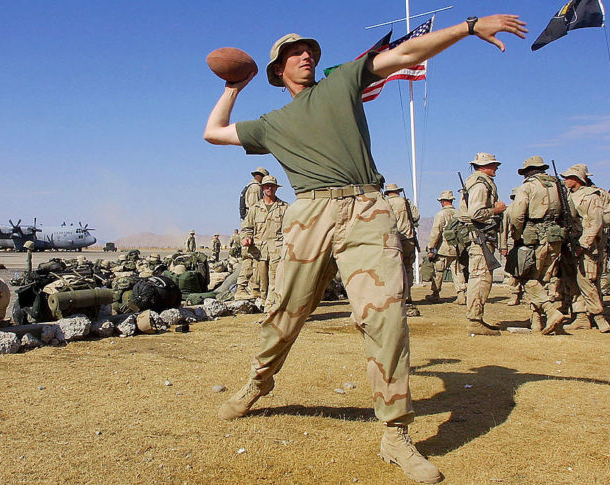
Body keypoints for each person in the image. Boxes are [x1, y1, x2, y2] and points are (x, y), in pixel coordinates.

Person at [203, 15, 526, 484]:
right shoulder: (271, 124)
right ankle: (257, 383)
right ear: (276, 71)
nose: (306, 55)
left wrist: (468, 27)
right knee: (283, 314)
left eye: (309, 49)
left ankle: (395, 434)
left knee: (385, 316)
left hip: (366, 210)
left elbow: (407, 54)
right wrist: (236, 84)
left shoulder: (341, 83)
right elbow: (214, 131)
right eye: (294, 53)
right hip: (308, 215)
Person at [507, 156, 567, 333]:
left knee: (528, 278)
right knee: (542, 280)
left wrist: (516, 236)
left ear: (528, 171)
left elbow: (518, 215)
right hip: (555, 238)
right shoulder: (559, 186)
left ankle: (550, 311)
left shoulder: (527, 187)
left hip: (534, 239)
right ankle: (536, 322)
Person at [458, 152, 507, 336]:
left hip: (483, 236)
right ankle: (475, 320)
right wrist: (497, 209)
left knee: (481, 277)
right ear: (483, 166)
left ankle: (476, 318)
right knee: (480, 278)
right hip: (480, 237)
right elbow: (476, 213)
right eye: (493, 164)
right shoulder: (480, 184)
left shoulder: (482, 182)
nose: (496, 167)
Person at [558, 165, 610, 333]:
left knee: (587, 282)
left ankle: (599, 317)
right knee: (571, 282)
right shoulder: (566, 195)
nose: (565, 180)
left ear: (578, 179)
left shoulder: (591, 197)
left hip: (585, 246)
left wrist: (583, 244)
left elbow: (595, 223)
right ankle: (580, 316)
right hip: (568, 244)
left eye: (569, 177)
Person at [241, 175, 289, 307]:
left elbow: (290, 229)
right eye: (267, 186)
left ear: (276, 188)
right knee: (261, 280)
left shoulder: (284, 207)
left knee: (276, 279)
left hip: (277, 250)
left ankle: (271, 306)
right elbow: (247, 227)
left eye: (272, 186)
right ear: (262, 188)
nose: (269, 188)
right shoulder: (254, 209)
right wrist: (246, 238)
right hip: (259, 251)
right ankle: (263, 302)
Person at [384, 184, 421, 316]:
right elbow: (416, 216)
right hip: (408, 238)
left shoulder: (385, 202)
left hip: (392, 239)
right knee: (408, 267)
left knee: (393, 268)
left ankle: (396, 296)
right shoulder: (406, 202)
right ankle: (407, 295)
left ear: (388, 192)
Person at [426, 190, 466, 304]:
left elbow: (436, 232)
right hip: (456, 248)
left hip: (443, 248)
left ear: (442, 202)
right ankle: (461, 295)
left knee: (438, 271)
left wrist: (431, 247)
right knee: (458, 271)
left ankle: (435, 293)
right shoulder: (459, 213)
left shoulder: (441, 214)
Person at [235, 168, 270, 299]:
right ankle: (241, 289)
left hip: (251, 225)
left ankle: (254, 289)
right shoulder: (255, 188)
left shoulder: (250, 186)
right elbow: (256, 209)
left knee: (256, 258)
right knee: (250, 257)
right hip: (253, 226)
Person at [499, 189, 523, 306]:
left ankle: (519, 295)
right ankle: (515, 294)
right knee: (515, 270)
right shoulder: (508, 210)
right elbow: (503, 229)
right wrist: (503, 246)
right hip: (513, 242)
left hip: (520, 242)